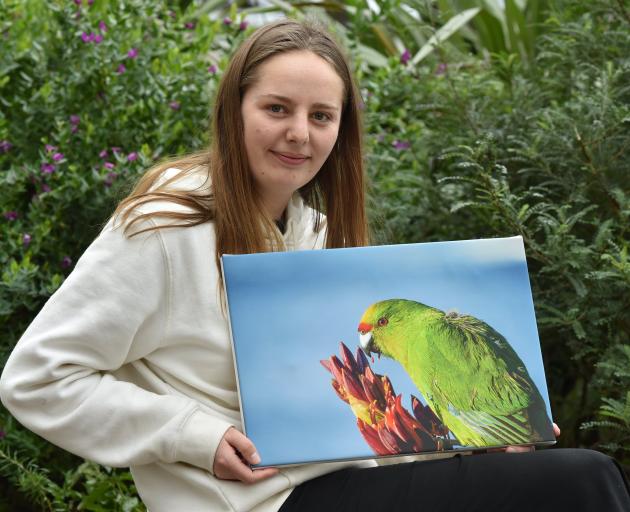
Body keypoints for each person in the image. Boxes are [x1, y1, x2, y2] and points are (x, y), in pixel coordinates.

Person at [1, 18, 629, 512]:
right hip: (263, 502)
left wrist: (495, 441)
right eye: (277, 108)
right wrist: (197, 437)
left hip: (346, 484)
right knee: (583, 481)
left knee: (552, 476)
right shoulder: (165, 227)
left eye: (321, 116)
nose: (300, 133)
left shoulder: (314, 233)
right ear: (233, 111)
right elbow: (37, 377)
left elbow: (350, 421)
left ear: (340, 131)